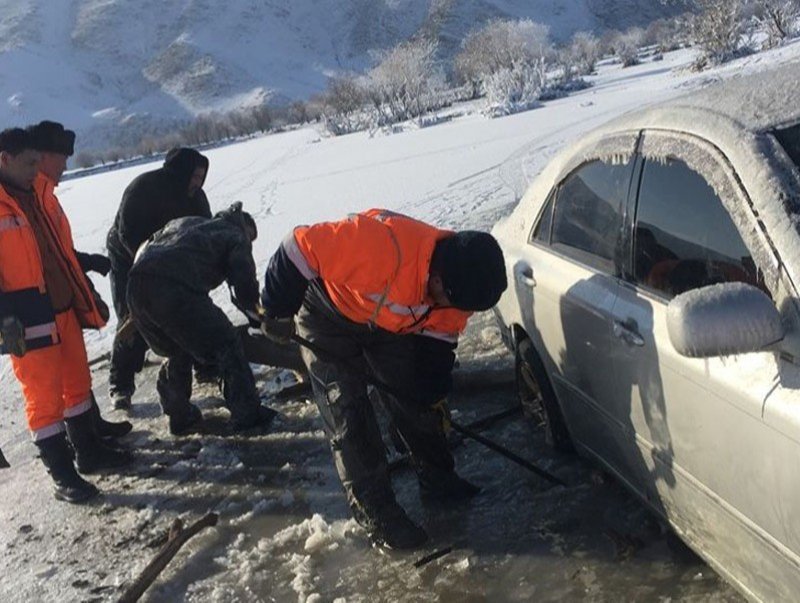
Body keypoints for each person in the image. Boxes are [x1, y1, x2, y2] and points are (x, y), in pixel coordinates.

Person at [259, 208, 508, 549]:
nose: (456, 310)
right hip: (327, 313)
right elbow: (297, 247)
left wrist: (429, 394)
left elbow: (437, 350)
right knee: (348, 414)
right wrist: (277, 309)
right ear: (438, 278)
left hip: (390, 321)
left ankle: (437, 477)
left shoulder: (460, 292)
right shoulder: (380, 247)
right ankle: (378, 514)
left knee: (416, 398)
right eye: (451, 300)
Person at [0, 128, 132, 504]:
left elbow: (55, 249)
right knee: (43, 399)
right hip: (25, 317)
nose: (36, 170)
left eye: (38, 163)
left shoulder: (37, 197)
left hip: (61, 307)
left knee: (76, 384)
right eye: (29, 163)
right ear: (4, 160)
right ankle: (62, 476)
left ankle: (89, 451)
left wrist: (85, 266)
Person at [125, 203, 276, 435]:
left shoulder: (191, 222)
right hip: (173, 287)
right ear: (245, 227)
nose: (250, 245)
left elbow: (149, 246)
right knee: (227, 342)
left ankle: (180, 415)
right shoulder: (235, 235)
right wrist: (258, 316)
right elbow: (244, 286)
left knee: (178, 348)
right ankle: (248, 414)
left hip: (135, 284)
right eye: (251, 239)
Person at [26, 120, 132, 439]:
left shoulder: (45, 195)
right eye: (62, 157)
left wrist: (86, 262)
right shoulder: (29, 196)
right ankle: (82, 446)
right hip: (41, 306)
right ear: (45, 156)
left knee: (76, 372)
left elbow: (56, 249)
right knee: (52, 385)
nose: (66, 165)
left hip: (62, 296)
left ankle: (91, 430)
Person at [106, 147, 211, 409]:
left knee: (189, 306)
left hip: (169, 257)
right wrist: (151, 272)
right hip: (128, 256)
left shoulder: (196, 197)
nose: (197, 183)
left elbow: (204, 230)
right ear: (180, 173)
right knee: (133, 315)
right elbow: (127, 234)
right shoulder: (142, 189)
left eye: (201, 177)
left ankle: (203, 362)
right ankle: (121, 384)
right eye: (194, 177)